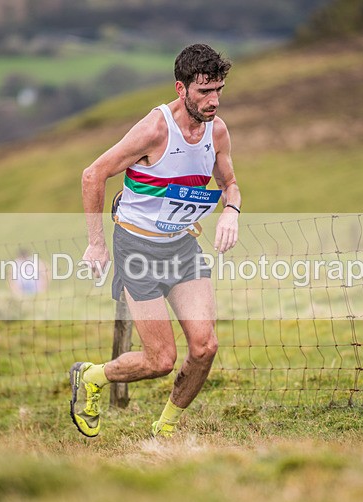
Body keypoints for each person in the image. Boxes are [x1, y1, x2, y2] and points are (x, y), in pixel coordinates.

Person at [70, 43, 241, 438]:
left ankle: (165, 430)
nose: (213, 101)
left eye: (218, 90)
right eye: (204, 92)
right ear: (181, 89)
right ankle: (93, 376)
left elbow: (229, 183)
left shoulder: (217, 131)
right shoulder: (155, 129)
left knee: (204, 347)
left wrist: (231, 211)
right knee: (161, 359)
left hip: (181, 246)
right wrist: (96, 244)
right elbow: (93, 175)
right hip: (138, 250)